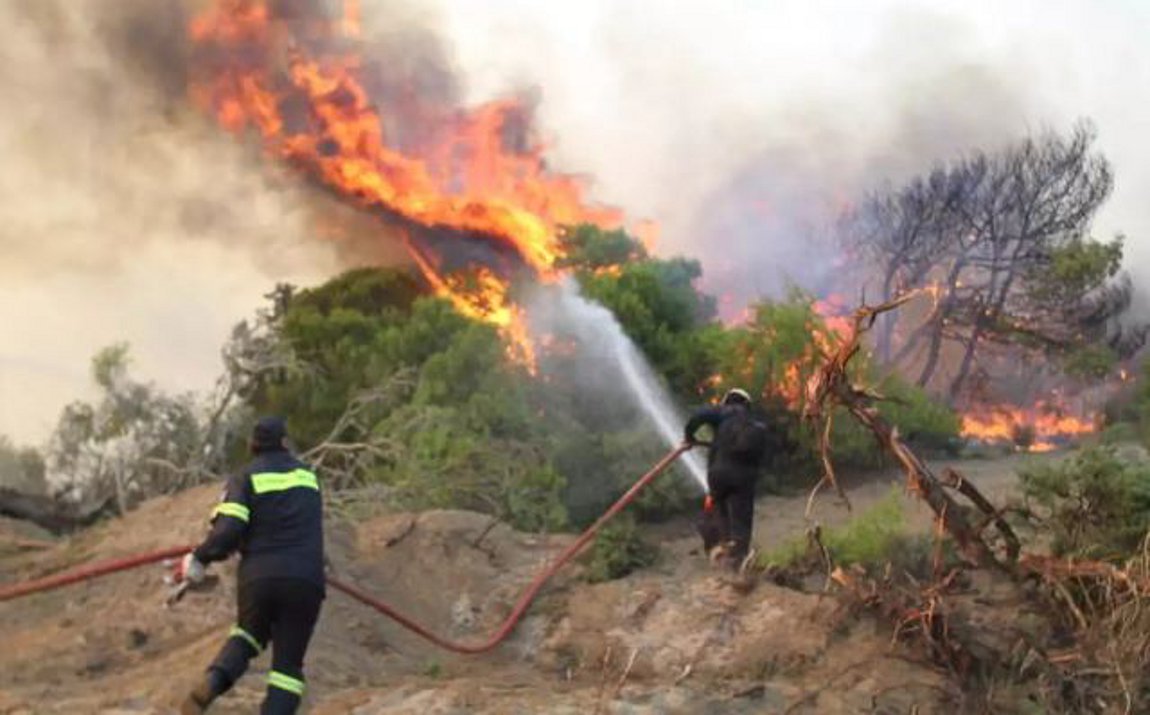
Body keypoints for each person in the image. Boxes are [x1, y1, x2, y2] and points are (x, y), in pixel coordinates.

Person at [178, 417, 325, 715]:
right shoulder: (309, 477)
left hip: (260, 577)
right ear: (285, 442)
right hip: (305, 578)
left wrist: (200, 558)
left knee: (248, 634)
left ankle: (214, 680)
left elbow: (229, 530)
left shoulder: (244, 478)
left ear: (253, 446)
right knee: (287, 667)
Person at [684, 388, 768, 570]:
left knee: (718, 511)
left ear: (727, 401)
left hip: (717, 475)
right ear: (747, 404)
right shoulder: (755, 423)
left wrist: (689, 436)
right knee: (742, 520)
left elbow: (699, 415)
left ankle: (721, 549)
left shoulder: (723, 412)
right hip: (744, 479)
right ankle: (739, 563)